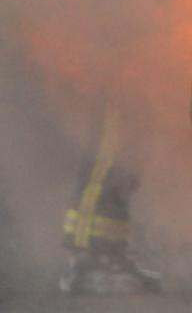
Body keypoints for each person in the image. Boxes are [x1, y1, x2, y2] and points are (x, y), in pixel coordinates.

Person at [59, 100, 162, 294]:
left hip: (134, 85)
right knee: (108, 159)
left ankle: (111, 255)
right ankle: (87, 262)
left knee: (125, 167)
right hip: (120, 83)